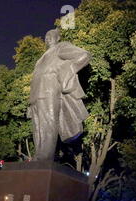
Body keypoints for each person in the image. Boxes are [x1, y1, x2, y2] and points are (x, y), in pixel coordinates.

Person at [28, 28, 92, 161]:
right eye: (46, 36)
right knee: (37, 126)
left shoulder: (60, 48)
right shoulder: (40, 60)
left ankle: (45, 156)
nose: (47, 37)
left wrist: (66, 71)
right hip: (35, 95)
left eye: (51, 35)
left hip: (50, 90)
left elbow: (84, 55)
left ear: (57, 38)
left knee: (48, 123)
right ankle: (38, 155)